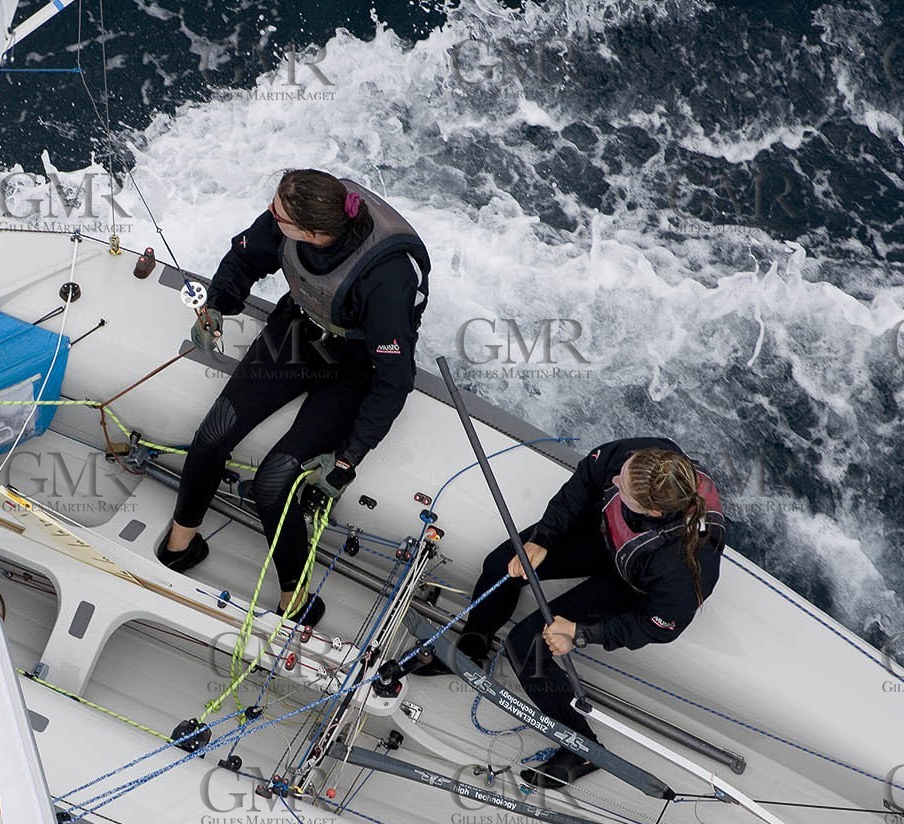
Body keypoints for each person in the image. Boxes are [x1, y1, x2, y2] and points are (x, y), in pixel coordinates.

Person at [156, 169, 431, 628]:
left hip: (354, 368)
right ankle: (181, 546)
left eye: (277, 215)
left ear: (313, 233)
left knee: (274, 482)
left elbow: (395, 380)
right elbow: (244, 259)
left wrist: (347, 460)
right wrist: (219, 306)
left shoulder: (386, 281)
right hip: (298, 333)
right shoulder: (289, 219)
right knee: (211, 437)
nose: (269, 215)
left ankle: (295, 600)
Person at [418, 438, 727, 789]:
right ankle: (472, 648)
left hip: (631, 583)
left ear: (653, 512)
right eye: (622, 474)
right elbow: (586, 479)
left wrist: (581, 633)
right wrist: (543, 538)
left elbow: (659, 626)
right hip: (603, 536)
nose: (615, 481)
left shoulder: (687, 566)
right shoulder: (643, 457)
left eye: (622, 486)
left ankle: (580, 746)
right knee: (503, 566)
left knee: (528, 645)